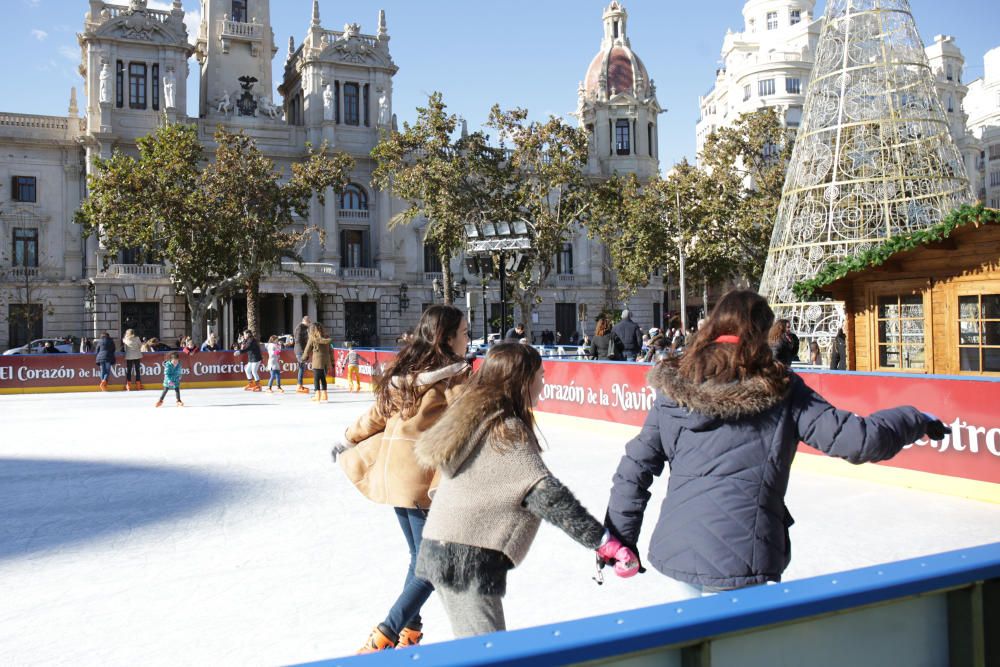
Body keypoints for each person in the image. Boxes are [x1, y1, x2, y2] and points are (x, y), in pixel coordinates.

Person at [605, 290, 948, 597]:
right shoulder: (781, 388)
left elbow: (635, 467)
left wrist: (619, 537)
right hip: (743, 556)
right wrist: (914, 418)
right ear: (762, 334)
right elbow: (859, 440)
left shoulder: (675, 388)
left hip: (680, 545)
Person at [412, 343, 638, 638]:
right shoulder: (504, 431)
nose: (544, 382)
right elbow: (546, 495)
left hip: (445, 548)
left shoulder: (482, 418)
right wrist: (604, 541)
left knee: (480, 648)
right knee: (487, 652)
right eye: (540, 375)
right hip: (464, 557)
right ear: (521, 380)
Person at [331, 305, 472, 652]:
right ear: (447, 338)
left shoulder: (406, 373)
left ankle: (410, 630)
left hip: (396, 476)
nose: (469, 339)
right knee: (434, 563)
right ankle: (386, 634)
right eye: (465, 333)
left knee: (419, 557)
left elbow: (376, 415)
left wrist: (348, 438)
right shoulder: (455, 378)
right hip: (425, 483)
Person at [302, 324, 332, 402]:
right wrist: (331, 361)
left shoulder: (312, 338)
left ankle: (317, 395)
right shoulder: (326, 338)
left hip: (317, 361)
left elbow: (307, 349)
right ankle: (325, 395)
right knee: (323, 378)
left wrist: (303, 358)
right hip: (325, 361)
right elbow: (331, 351)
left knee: (316, 379)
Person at [293, 315, 312, 394]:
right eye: (309, 322)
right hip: (300, 351)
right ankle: (299, 385)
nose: (309, 324)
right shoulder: (300, 328)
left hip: (301, 351)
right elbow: (298, 340)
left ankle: (300, 384)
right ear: (306, 321)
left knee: (302, 368)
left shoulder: (304, 328)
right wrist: (303, 352)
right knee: (301, 367)